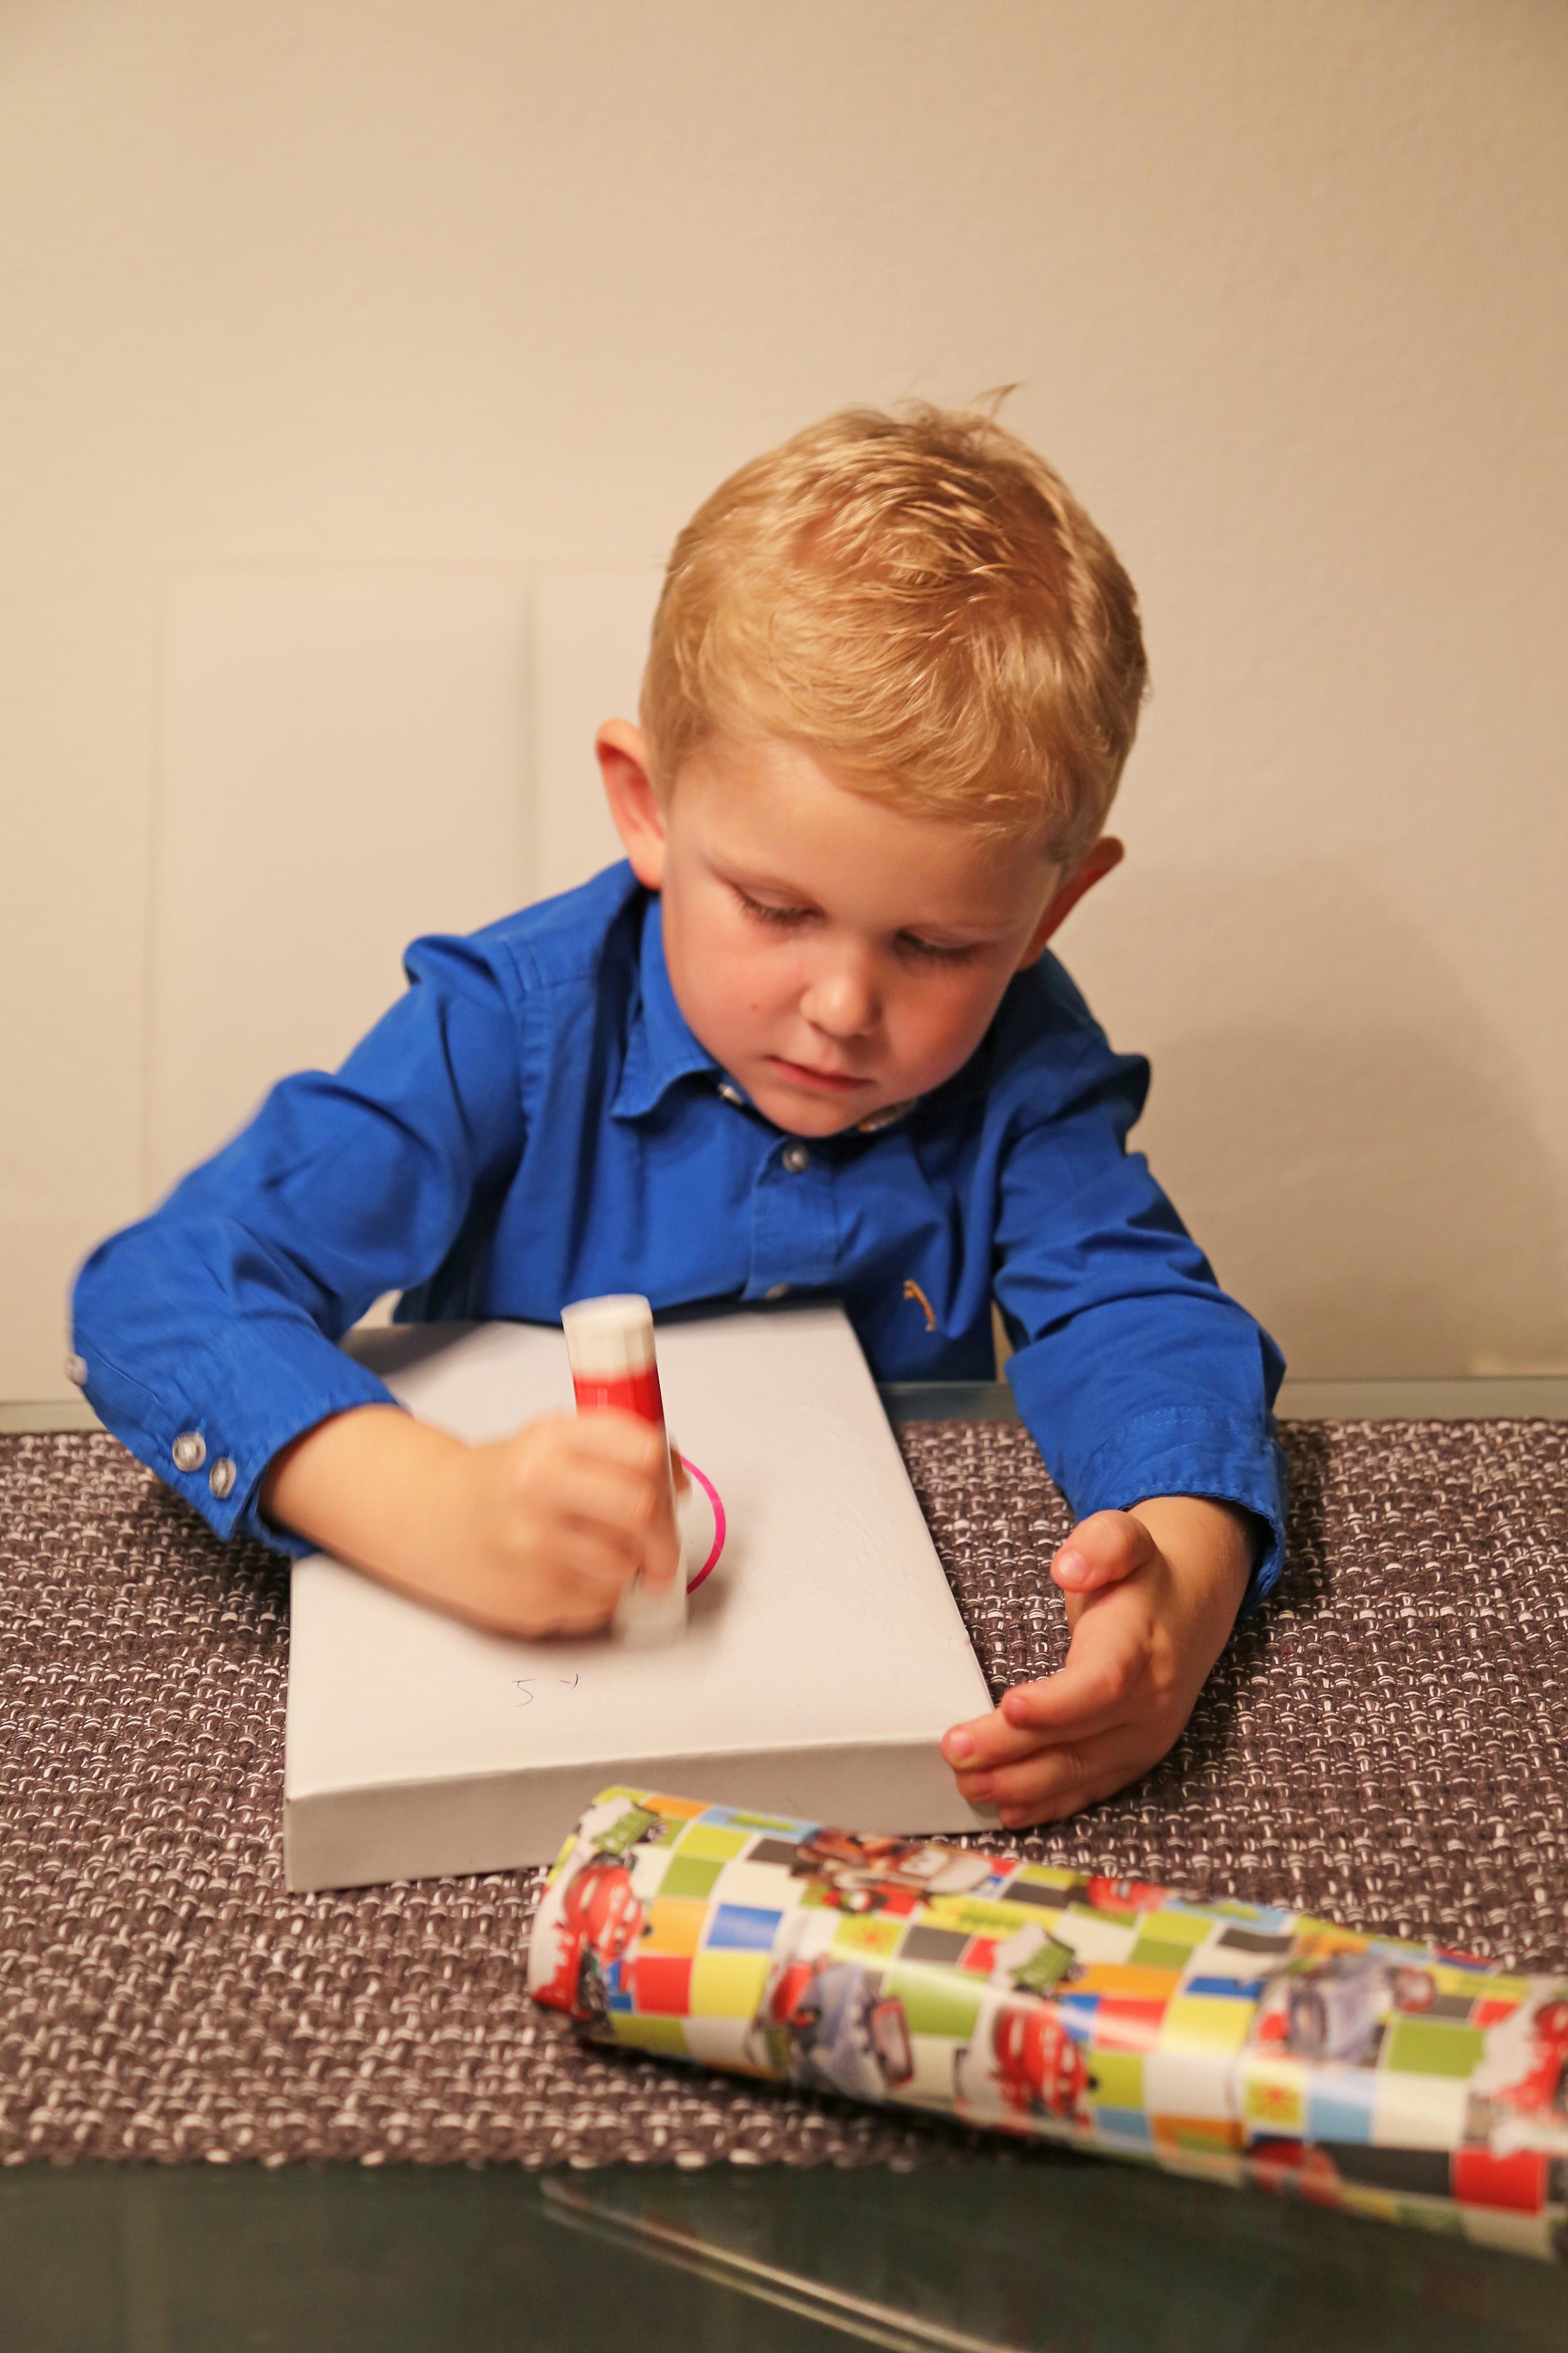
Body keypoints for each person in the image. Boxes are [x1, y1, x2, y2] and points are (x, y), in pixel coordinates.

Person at [71, 403, 1287, 1829]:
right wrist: (430, 1508)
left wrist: (1182, 1577)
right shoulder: (508, 1024)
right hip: (515, 1700)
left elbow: (1141, 1316)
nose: (842, 1005)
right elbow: (158, 1291)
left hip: (856, 1708)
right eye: (776, 907)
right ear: (645, 807)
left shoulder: (1027, 1063)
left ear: (1050, 913)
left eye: (936, 945)